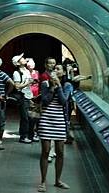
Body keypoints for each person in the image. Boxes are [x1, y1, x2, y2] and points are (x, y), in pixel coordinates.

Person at [38, 58, 70, 191]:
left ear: (62, 73)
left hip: (59, 122)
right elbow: (45, 101)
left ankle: (58, 180)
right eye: (54, 68)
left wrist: (59, 87)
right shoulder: (45, 84)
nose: (54, 70)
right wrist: (52, 87)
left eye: (58, 69)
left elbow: (63, 101)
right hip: (46, 120)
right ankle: (43, 181)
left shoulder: (67, 85)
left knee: (60, 152)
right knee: (45, 151)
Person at [12, 53, 34, 144]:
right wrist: (27, 83)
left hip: (29, 96)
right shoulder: (16, 73)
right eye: (21, 58)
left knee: (31, 117)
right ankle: (23, 136)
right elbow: (17, 86)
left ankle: (30, 135)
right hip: (22, 97)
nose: (24, 59)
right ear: (17, 63)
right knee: (25, 117)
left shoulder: (27, 71)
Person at [0, 56, 14, 146]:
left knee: (0, 120)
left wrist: (6, 94)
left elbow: (11, 83)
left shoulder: (2, 74)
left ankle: (0, 139)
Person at [27, 58, 40, 142]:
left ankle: (36, 132)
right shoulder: (26, 73)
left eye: (32, 64)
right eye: (29, 65)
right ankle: (30, 132)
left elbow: (39, 81)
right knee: (30, 115)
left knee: (37, 115)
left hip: (37, 95)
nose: (31, 66)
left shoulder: (37, 72)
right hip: (29, 95)